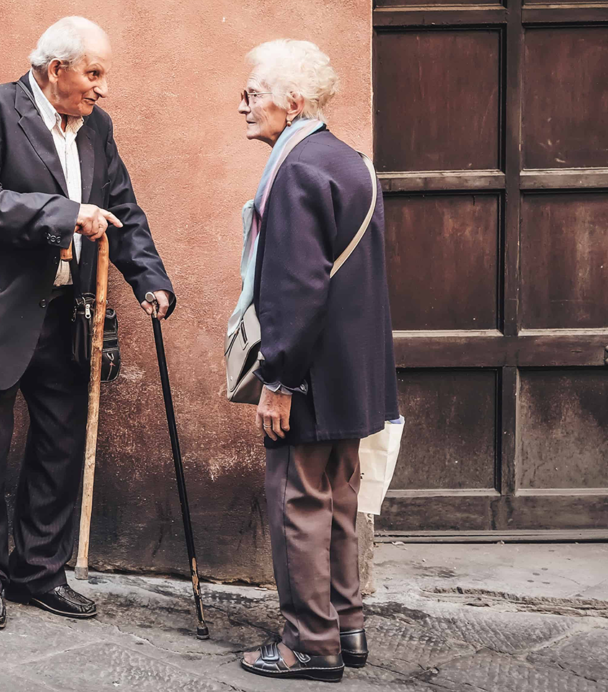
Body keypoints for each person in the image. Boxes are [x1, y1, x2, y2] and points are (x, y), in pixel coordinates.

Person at [0, 16, 175, 630]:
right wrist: (65, 213)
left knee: (61, 449)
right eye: (94, 73)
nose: (103, 88)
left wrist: (150, 278)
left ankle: (38, 571)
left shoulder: (97, 127)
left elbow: (121, 207)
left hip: (66, 315)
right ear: (56, 69)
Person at [230, 39, 399, 683]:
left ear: (293, 102)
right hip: (351, 374)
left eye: (253, 94)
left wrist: (279, 380)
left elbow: (297, 287)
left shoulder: (296, 169)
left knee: (299, 504)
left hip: (309, 374)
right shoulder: (350, 161)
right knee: (338, 503)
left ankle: (309, 644)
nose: (243, 105)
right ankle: (347, 627)